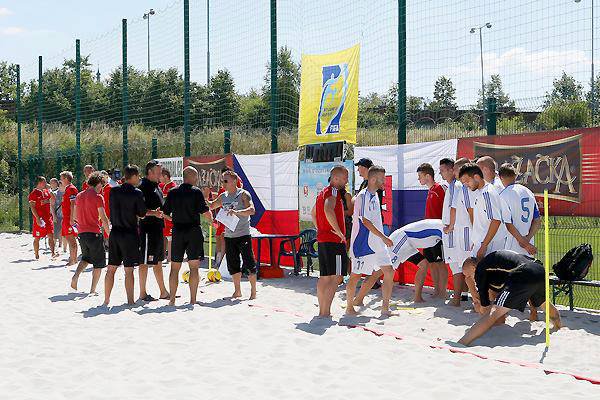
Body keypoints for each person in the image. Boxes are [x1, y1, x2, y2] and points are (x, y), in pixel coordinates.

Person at [458, 250, 562, 346]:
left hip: (522, 273)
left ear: (473, 268)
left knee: (492, 313)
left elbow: (486, 309)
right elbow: (499, 299)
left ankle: (462, 342)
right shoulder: (492, 267)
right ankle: (558, 326)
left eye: (468, 275)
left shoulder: (480, 270)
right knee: (544, 304)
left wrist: (479, 308)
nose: (469, 279)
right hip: (539, 270)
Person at [346, 166, 395, 316]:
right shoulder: (363, 196)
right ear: (373, 179)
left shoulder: (374, 195)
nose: (384, 181)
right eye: (382, 178)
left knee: (389, 271)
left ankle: (385, 308)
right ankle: (349, 307)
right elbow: (366, 222)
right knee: (355, 276)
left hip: (377, 243)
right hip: (363, 243)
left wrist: (381, 239)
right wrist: (384, 237)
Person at [358, 219, 444, 304]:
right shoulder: (443, 228)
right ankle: (359, 299)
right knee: (380, 271)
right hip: (400, 240)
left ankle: (417, 298)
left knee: (424, 264)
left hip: (408, 242)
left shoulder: (442, 225)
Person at [162, 167, 212, 306]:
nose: (197, 180)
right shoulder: (196, 192)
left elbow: (165, 213)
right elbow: (205, 212)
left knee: (175, 267)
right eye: (196, 177)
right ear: (191, 177)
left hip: (178, 230)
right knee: (194, 267)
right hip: (193, 231)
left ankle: (172, 300)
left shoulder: (173, 192)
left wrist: (174, 219)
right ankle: (193, 300)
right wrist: (212, 221)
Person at [104, 165, 150, 306]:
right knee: (129, 270)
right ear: (134, 176)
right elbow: (142, 214)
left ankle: (106, 300)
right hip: (129, 233)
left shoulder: (114, 191)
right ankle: (130, 301)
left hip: (115, 232)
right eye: (138, 176)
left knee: (111, 268)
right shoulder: (137, 192)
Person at [208, 170, 257, 300]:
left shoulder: (243, 194)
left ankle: (253, 292)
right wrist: (204, 197)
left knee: (249, 263)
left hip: (243, 234)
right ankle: (237, 291)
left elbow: (252, 210)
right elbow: (211, 206)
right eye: (222, 180)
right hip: (229, 236)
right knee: (233, 264)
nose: (222, 183)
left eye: (225, 180)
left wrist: (237, 212)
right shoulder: (223, 196)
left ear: (234, 181)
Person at [311, 165, 349, 317]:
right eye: (345, 178)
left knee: (325, 277)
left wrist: (320, 228)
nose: (346, 181)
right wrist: (339, 232)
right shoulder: (333, 191)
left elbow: (313, 213)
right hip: (334, 240)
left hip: (323, 239)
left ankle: (322, 311)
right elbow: (328, 210)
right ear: (335, 178)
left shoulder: (322, 193)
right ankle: (325, 311)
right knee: (337, 276)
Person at [70, 172, 110, 293]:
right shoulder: (98, 197)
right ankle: (92, 290)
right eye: (102, 185)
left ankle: (75, 276)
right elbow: (103, 218)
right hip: (94, 232)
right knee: (98, 264)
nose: (102, 188)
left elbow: (75, 216)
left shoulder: (79, 195)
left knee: (86, 258)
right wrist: (109, 234)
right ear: (98, 183)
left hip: (81, 232)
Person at [442, 157, 475, 306]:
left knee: (462, 265)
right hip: (457, 229)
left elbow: (455, 209)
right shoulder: (454, 186)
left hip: (460, 230)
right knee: (458, 264)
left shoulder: (459, 186)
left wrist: (450, 226)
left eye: (455, 168)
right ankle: (463, 297)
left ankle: (460, 299)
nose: (453, 171)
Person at [138, 160, 169, 302]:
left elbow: (160, 208)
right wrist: (154, 213)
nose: (160, 174)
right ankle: (142, 293)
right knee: (144, 261)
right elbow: (139, 211)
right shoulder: (142, 188)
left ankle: (163, 291)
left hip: (157, 228)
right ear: (150, 172)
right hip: (147, 230)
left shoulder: (157, 187)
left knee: (158, 261)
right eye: (158, 172)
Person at [417, 163, 447, 299]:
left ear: (428, 176)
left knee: (440, 263)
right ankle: (437, 290)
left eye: (420, 176)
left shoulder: (439, 188)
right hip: (428, 233)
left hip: (438, 233)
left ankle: (443, 291)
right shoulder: (430, 190)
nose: (419, 179)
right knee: (432, 263)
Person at [498, 163, 540, 256]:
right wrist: (527, 240)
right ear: (515, 175)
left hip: (511, 246)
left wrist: (523, 243)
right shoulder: (528, 192)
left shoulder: (503, 195)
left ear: (500, 177)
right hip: (528, 246)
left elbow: (508, 224)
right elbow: (537, 221)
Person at [214, 167, 243, 268]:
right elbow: (216, 204)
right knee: (219, 237)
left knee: (225, 238)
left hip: (232, 216)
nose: (223, 181)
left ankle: (222, 262)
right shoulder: (223, 190)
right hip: (224, 215)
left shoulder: (235, 186)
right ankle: (219, 261)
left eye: (224, 179)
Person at [28, 176, 56, 259]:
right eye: (44, 182)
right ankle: (36, 254)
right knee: (37, 237)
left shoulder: (46, 191)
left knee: (51, 235)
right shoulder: (33, 194)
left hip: (48, 217)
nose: (46, 183)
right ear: (40, 183)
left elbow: (53, 200)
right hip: (40, 218)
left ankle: (53, 253)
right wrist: (37, 218)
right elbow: (32, 207)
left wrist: (50, 190)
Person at [59, 171, 79, 265]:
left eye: (62, 178)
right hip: (66, 217)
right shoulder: (67, 189)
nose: (60, 181)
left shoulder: (71, 189)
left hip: (69, 218)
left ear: (66, 179)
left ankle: (73, 260)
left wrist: (72, 218)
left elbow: (73, 204)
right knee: (68, 238)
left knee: (71, 240)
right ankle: (73, 259)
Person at [160, 168, 177, 264]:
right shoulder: (162, 186)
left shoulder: (172, 186)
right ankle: (167, 256)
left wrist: (170, 215)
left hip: (169, 215)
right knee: (166, 235)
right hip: (164, 215)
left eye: (161, 176)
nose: (159, 178)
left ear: (166, 176)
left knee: (170, 236)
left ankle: (170, 257)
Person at [49, 178, 63, 253]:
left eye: (52, 183)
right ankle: (55, 246)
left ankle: (60, 245)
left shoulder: (62, 192)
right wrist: (53, 215)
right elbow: (51, 205)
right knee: (56, 230)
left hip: (61, 214)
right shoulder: (52, 193)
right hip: (57, 214)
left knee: (60, 231)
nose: (51, 184)